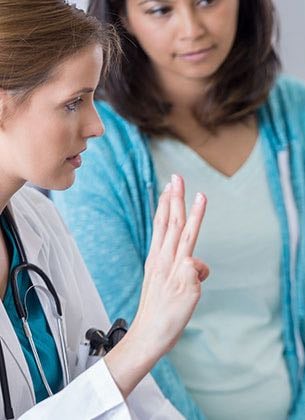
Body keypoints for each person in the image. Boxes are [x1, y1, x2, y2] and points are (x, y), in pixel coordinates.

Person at [51, 0, 305, 418]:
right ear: (125, 21)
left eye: (207, 1)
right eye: (160, 10)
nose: (191, 28)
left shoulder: (297, 115)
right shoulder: (95, 143)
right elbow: (120, 331)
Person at [0, 1, 210, 418]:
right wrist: (146, 337)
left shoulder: (39, 221)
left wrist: (147, 330)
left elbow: (111, 388)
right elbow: (113, 376)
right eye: (74, 102)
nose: (97, 127)